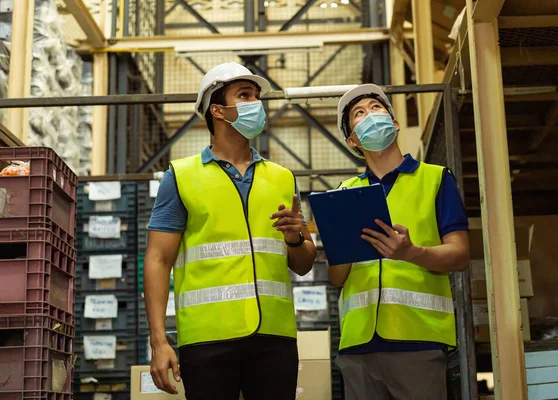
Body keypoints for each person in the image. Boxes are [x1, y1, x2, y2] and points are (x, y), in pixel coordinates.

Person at [144, 62, 317, 400]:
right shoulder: (180, 177)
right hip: (207, 341)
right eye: (245, 95)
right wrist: (159, 341)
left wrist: (295, 238)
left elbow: (303, 263)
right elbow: (157, 259)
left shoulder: (282, 177)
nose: (256, 102)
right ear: (218, 110)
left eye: (256, 96)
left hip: (275, 337)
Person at [328, 84, 470, 400]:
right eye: (359, 113)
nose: (370, 116)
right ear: (353, 140)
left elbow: (460, 254)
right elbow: (337, 277)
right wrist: (339, 240)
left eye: (376, 108)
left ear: (394, 123)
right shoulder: (343, 193)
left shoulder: (435, 179)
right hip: (358, 347)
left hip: (417, 342)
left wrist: (411, 252)